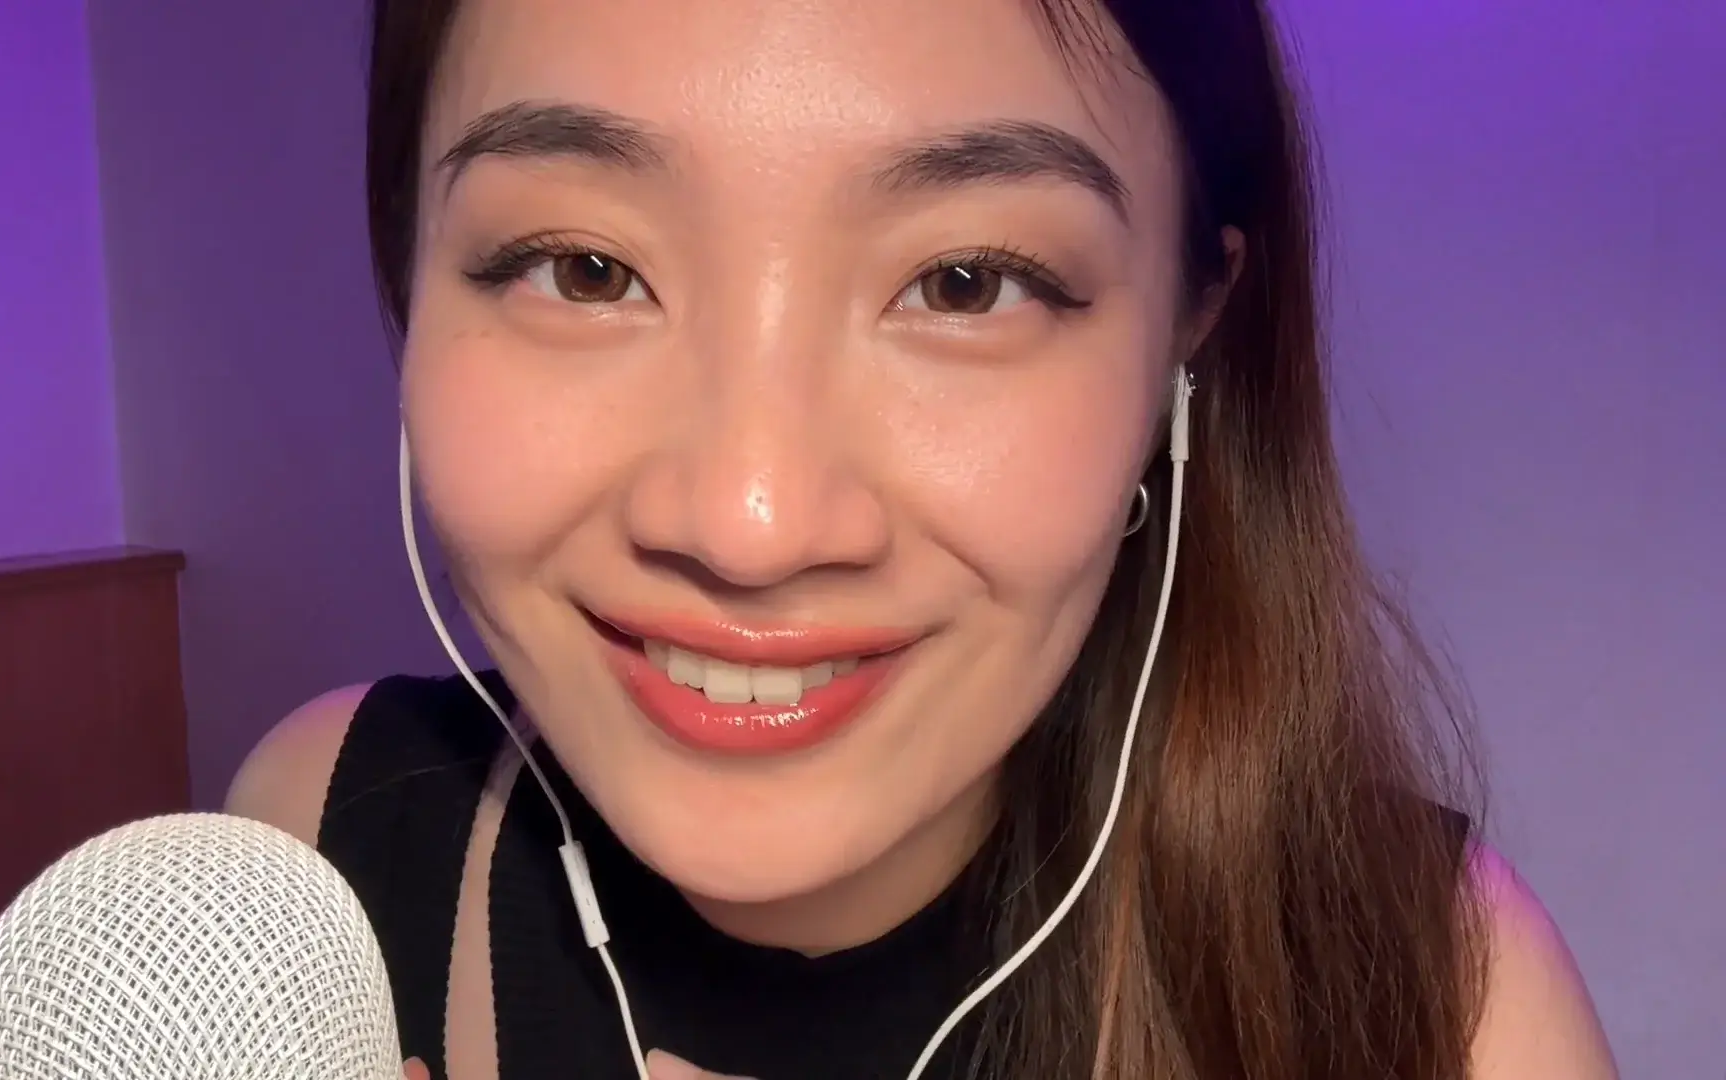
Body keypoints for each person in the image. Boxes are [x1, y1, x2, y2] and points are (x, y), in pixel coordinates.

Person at [229, 1, 1620, 1077]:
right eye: (585, 270)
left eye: (964, 285)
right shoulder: (314, 862)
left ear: (1188, 328)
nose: (752, 524)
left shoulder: (1436, 1004)